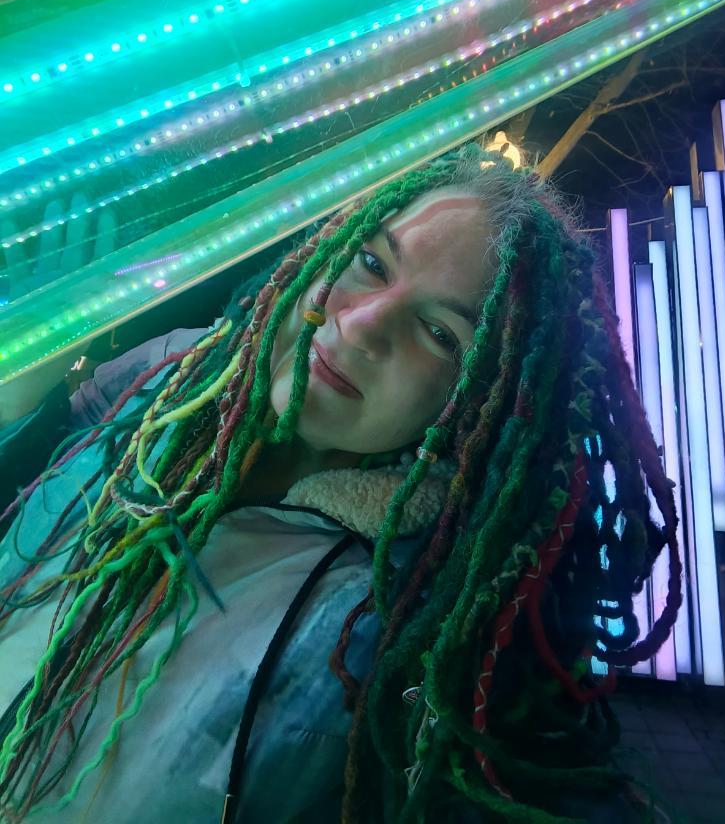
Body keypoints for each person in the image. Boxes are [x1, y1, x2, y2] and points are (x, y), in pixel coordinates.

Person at [0, 142, 681, 823]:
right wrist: (21, 396)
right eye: (372, 263)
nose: (360, 326)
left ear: (473, 406)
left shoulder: (407, 625)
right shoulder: (166, 380)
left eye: (440, 334)